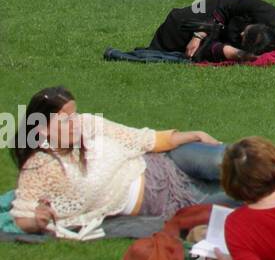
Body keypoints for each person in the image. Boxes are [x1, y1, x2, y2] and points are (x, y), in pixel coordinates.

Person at [9, 86, 237, 237]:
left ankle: (272, 167)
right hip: (166, 200)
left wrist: (193, 135)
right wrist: (37, 221)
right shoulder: (39, 167)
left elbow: (140, 138)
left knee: (230, 160)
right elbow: (22, 217)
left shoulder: (89, 124)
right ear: (43, 129)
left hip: (167, 162)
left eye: (75, 115)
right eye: (66, 120)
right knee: (239, 194)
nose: (76, 123)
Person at [147, 0, 275, 61]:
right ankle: (164, 45)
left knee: (203, 51)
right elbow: (225, 8)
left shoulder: (273, 39)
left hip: (223, 31)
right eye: (246, 31)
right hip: (219, 9)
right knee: (180, 23)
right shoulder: (263, 11)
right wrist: (199, 34)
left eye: (244, 38)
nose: (242, 33)